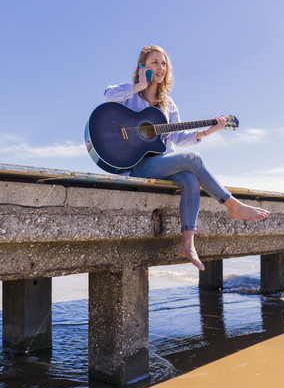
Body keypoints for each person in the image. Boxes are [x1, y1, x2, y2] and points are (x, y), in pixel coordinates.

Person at [104, 45, 270, 271]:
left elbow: (179, 138)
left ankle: (187, 243)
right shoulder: (131, 96)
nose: (160, 67)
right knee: (193, 158)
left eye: (164, 63)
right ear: (143, 67)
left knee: (190, 179)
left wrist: (208, 130)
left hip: (159, 163)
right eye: (154, 62)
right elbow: (107, 95)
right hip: (135, 165)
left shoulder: (168, 104)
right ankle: (232, 205)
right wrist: (139, 86)